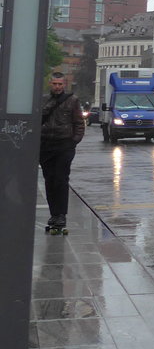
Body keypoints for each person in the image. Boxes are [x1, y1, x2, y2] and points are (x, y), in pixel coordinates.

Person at [39, 71, 86, 232]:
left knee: (60, 179)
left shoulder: (72, 100)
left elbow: (79, 122)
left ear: (64, 84)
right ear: (50, 84)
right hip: (45, 145)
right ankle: (54, 214)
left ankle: (61, 215)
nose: (57, 87)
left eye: (60, 84)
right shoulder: (43, 100)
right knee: (49, 180)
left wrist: (74, 141)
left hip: (64, 146)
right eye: (54, 84)